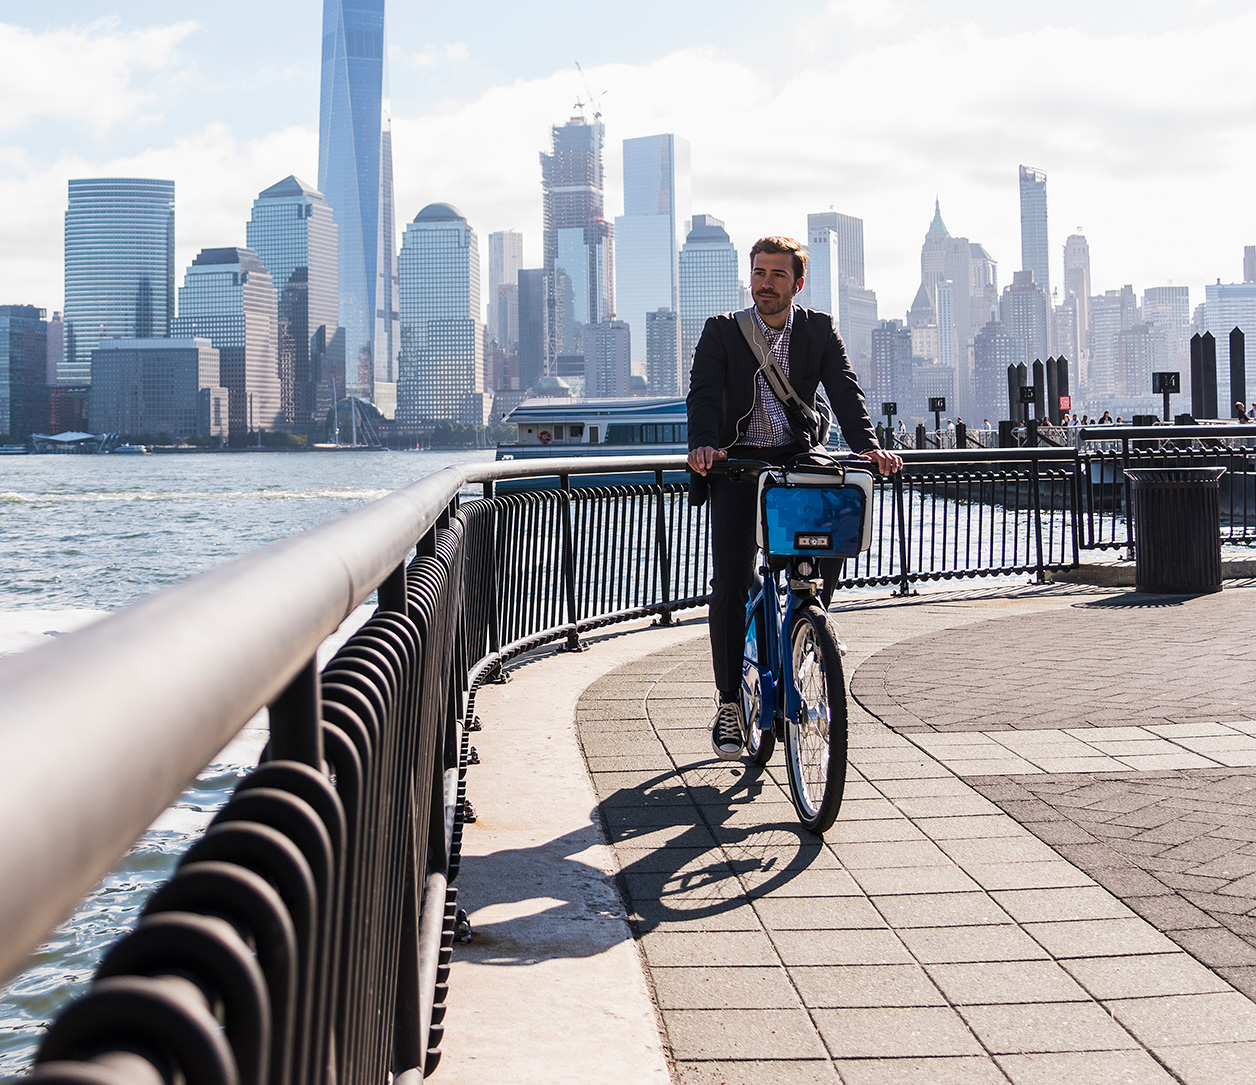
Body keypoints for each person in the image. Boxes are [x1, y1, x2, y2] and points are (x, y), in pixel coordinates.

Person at [687, 235, 901, 760]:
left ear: (797, 283)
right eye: (759, 273)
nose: (765, 283)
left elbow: (846, 392)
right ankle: (730, 704)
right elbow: (704, 394)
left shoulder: (819, 329)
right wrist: (704, 445)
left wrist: (870, 449)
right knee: (732, 581)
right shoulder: (720, 331)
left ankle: (809, 627)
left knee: (828, 545)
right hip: (737, 466)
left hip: (798, 460)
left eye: (777, 275)